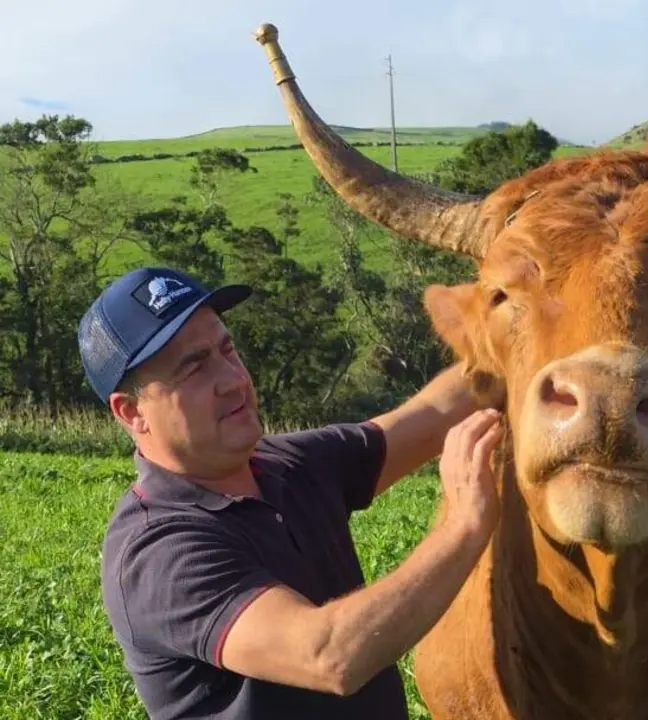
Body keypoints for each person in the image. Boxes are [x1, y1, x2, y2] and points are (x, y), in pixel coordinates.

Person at [79, 266, 504, 719]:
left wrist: (520, 336)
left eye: (228, 349)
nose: (234, 380)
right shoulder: (158, 552)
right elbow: (330, 656)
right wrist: (464, 525)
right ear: (132, 412)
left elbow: (431, 415)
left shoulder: (286, 465)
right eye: (194, 368)